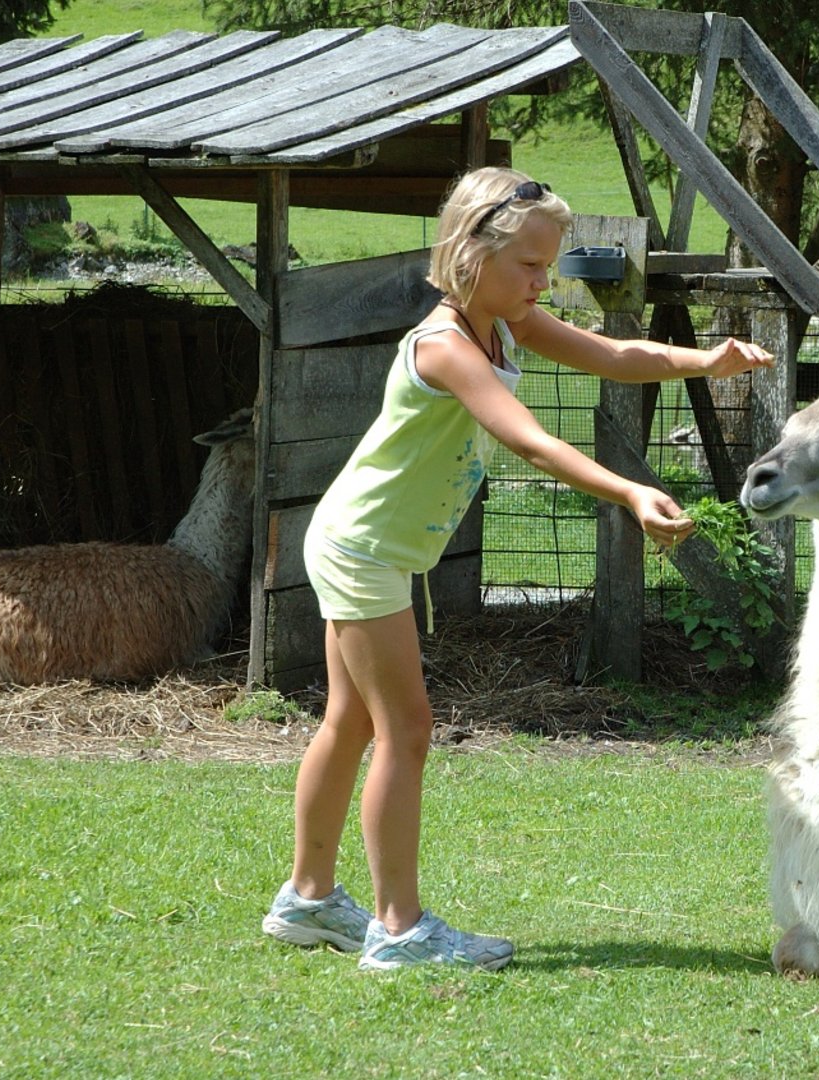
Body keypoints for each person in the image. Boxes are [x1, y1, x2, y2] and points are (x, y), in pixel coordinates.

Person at [261, 166, 775, 972]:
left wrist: (703, 361)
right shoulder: (446, 347)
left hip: (364, 543)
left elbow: (612, 353)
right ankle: (399, 933)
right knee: (407, 729)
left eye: (549, 264)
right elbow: (531, 441)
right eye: (530, 265)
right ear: (472, 254)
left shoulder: (505, 324)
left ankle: (308, 900)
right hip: (362, 549)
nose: (545, 280)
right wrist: (631, 491)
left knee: (352, 723)